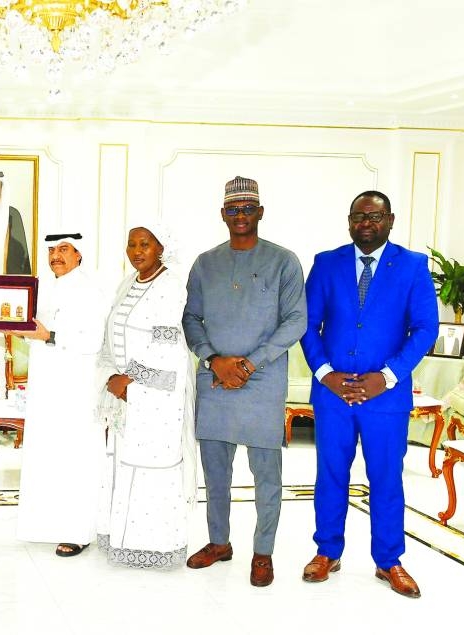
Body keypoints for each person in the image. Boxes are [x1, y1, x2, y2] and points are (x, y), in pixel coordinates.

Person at [300, 191, 438, 598]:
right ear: (349, 221)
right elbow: (307, 324)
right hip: (333, 396)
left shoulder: (413, 265)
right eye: (358, 216)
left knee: (386, 478)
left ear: (390, 220)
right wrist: (325, 374)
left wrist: (388, 376)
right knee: (330, 475)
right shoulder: (326, 263)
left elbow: (425, 329)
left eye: (374, 217)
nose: (366, 223)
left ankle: (389, 560)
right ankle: (327, 552)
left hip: (386, 398)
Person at [182, 176, 307, 587]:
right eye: (233, 209)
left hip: (263, 382)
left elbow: (296, 321)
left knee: (266, 475)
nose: (241, 215)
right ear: (223, 214)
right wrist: (213, 359)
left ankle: (263, 552)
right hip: (215, 381)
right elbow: (190, 318)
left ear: (260, 212)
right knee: (216, 472)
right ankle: (219, 543)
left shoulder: (284, 261)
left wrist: (249, 365)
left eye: (248, 208)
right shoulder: (205, 263)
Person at [97, 224, 197, 569]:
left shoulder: (170, 285)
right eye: (131, 245)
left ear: (161, 248)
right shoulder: (128, 282)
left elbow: (167, 346)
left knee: (151, 465)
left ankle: (155, 547)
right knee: (124, 461)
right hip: (125, 391)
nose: (137, 251)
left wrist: (130, 379)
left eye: (145, 244)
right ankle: (122, 540)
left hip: (157, 395)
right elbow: (110, 335)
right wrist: (111, 376)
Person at [7, 231, 108, 557]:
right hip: (47, 386)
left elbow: (93, 339)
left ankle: (78, 531)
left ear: (79, 254)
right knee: (49, 453)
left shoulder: (90, 291)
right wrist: (18, 329)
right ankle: (47, 525)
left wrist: (49, 336)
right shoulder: (49, 288)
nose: (55, 256)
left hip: (76, 388)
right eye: (52, 250)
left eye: (64, 249)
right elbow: (38, 332)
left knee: (75, 457)